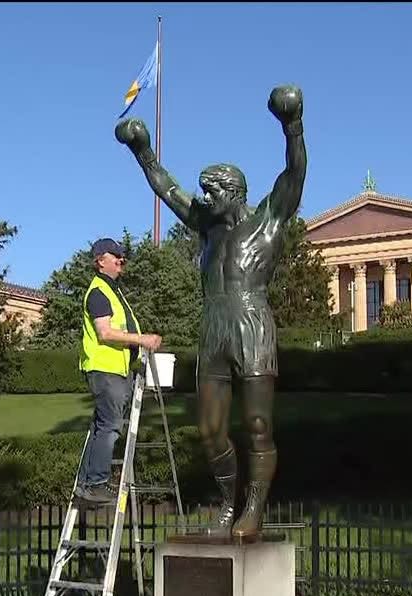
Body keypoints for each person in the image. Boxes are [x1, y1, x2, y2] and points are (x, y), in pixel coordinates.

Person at [114, 85, 305, 539]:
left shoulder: (269, 220)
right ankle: (225, 502)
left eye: (211, 190)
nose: (201, 197)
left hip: (251, 322)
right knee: (210, 430)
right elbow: (168, 188)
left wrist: (292, 125)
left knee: (258, 424)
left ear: (232, 191)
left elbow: (294, 172)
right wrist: (143, 151)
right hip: (213, 326)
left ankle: (253, 505)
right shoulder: (206, 229)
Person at [76, 237, 162, 505]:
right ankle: (96, 483)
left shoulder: (112, 291)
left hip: (115, 370)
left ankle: (87, 481)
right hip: (105, 370)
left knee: (103, 426)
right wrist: (143, 340)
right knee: (110, 426)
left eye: (121, 256)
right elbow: (105, 333)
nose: (121, 260)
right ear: (100, 260)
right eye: (115, 256)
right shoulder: (100, 292)